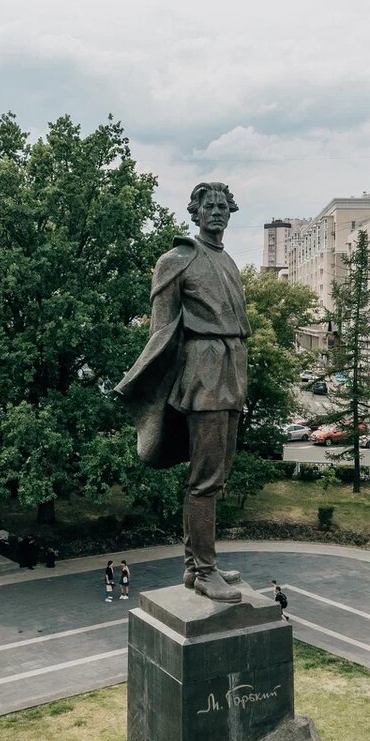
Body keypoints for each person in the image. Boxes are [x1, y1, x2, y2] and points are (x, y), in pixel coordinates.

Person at [114, 183, 251, 603]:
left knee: (217, 476)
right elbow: (162, 331)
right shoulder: (175, 260)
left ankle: (196, 567)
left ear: (231, 212)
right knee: (205, 479)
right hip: (203, 372)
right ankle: (204, 571)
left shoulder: (227, 260)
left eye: (223, 206)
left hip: (232, 366)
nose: (216, 212)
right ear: (195, 212)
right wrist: (146, 385)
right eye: (208, 206)